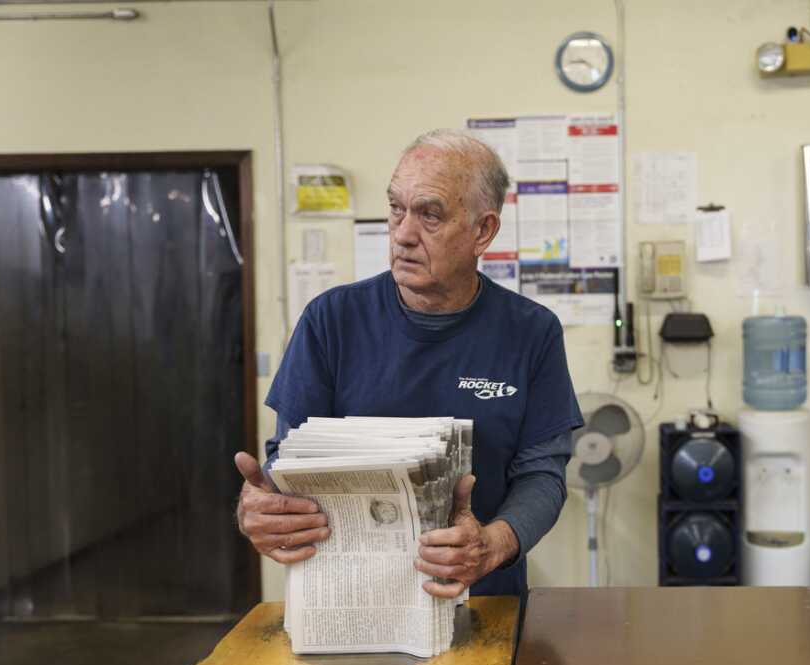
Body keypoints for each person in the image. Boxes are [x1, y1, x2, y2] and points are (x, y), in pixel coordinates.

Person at [234, 129, 583, 598]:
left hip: (480, 598)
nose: (403, 234)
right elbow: (288, 459)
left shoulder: (531, 332)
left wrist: (494, 544)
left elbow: (542, 473)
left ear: (483, 231)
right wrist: (261, 508)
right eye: (396, 209)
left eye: (430, 215)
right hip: (350, 599)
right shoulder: (331, 320)